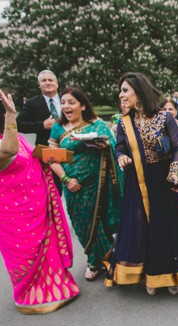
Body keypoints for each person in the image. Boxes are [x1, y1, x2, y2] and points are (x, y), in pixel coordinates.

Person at [0, 87, 79, 313]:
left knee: (44, 244)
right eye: (5, 109)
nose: (8, 112)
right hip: (9, 208)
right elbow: (9, 150)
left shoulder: (10, 134)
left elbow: (33, 156)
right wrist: (12, 116)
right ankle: (29, 293)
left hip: (35, 203)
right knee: (24, 251)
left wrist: (68, 155)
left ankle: (54, 286)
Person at [109, 72, 178, 296]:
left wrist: (173, 174)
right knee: (142, 226)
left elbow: (177, 148)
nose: (121, 95)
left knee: (167, 226)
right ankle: (150, 274)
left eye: (125, 90)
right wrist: (121, 156)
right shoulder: (125, 123)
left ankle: (173, 274)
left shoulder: (165, 118)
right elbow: (120, 147)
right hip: (138, 182)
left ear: (139, 90)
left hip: (164, 180)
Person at [47, 87, 122, 281]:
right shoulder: (58, 128)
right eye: (63, 102)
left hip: (97, 184)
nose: (66, 106)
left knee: (99, 221)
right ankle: (109, 257)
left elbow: (114, 146)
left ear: (82, 105)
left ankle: (95, 262)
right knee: (82, 225)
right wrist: (66, 179)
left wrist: (106, 146)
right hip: (72, 186)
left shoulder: (96, 124)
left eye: (71, 102)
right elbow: (51, 157)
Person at [16, 70, 61, 146]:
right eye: (43, 80)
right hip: (46, 148)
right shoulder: (31, 103)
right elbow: (18, 124)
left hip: (70, 145)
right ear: (39, 85)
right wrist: (42, 125)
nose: (47, 83)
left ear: (57, 84)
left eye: (50, 80)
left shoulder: (68, 99)